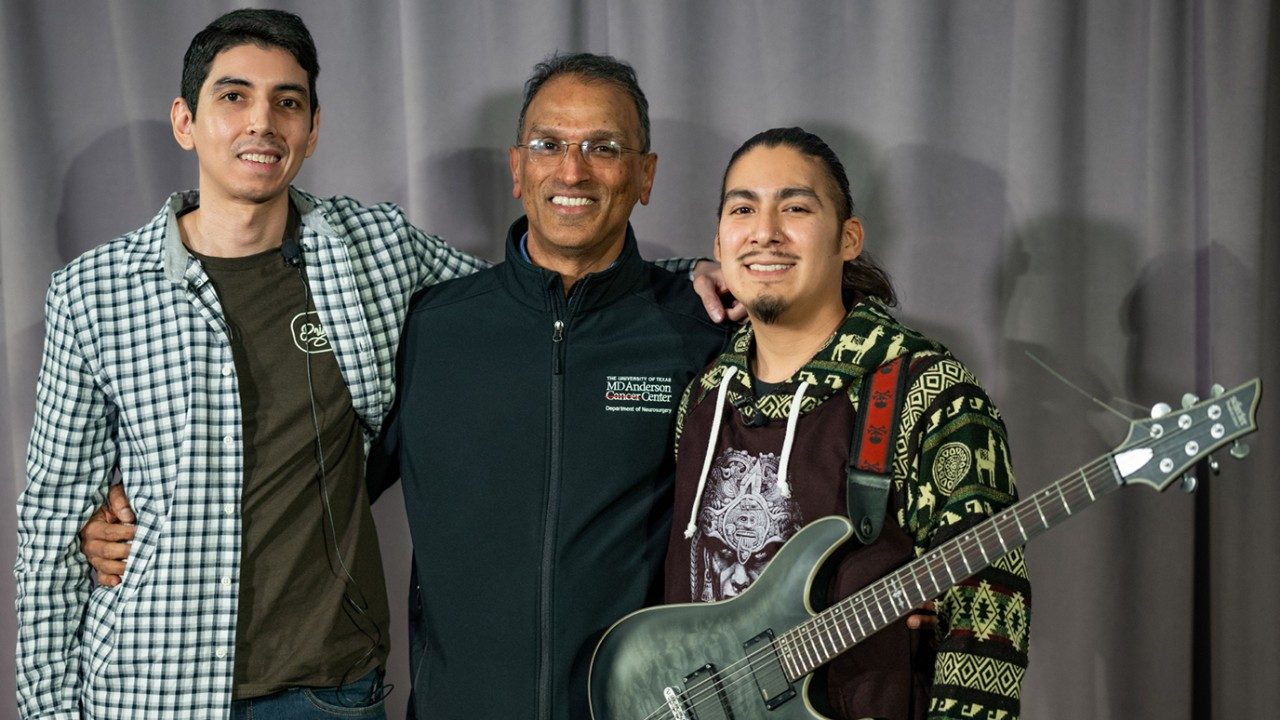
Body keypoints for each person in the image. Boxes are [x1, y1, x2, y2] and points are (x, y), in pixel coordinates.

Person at [16, 10, 720, 720]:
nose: (261, 122)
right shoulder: (95, 293)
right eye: (233, 97)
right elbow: (48, 528)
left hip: (329, 694)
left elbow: (546, 301)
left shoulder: (373, 250)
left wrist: (709, 280)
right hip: (153, 687)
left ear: (312, 128)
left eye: (286, 102)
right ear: (185, 120)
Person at [364, 53, 730, 720]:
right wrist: (123, 515)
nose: (572, 170)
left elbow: (785, 500)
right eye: (549, 145)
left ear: (645, 175)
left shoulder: (704, 332)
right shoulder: (429, 330)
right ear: (516, 169)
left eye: (604, 147)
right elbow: (322, 501)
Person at [662, 128, 1030, 720]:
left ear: (848, 238)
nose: (765, 231)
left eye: (796, 207)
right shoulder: (703, 399)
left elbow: (990, 620)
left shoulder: (929, 391)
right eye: (743, 209)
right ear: (720, 243)